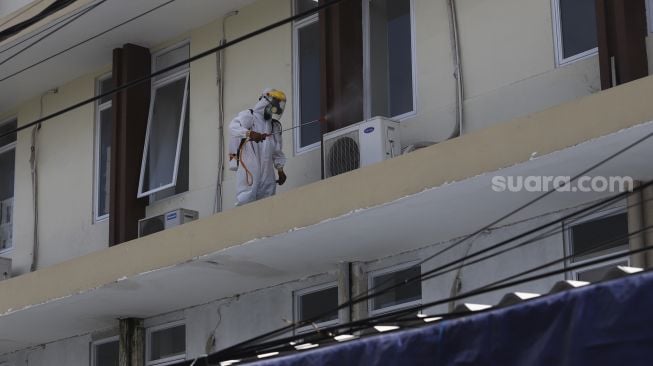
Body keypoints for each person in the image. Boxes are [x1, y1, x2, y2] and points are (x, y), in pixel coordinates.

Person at [229, 89, 287, 206]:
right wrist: (249, 133)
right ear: (265, 102)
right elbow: (233, 127)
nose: (273, 111)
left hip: (267, 169)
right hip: (250, 163)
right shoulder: (249, 116)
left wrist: (280, 169)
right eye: (272, 107)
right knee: (246, 196)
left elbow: (276, 150)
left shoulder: (274, 126)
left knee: (268, 197)